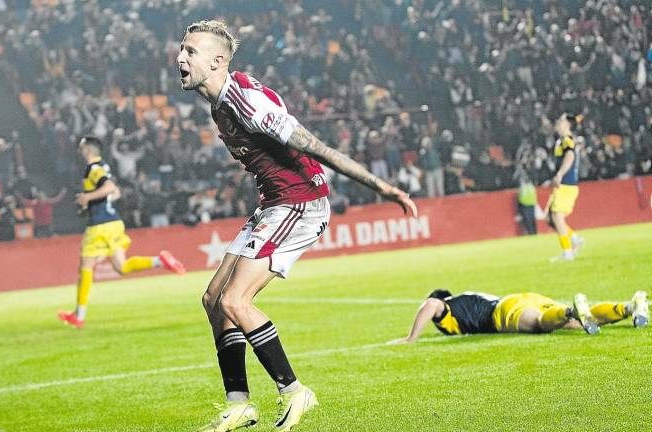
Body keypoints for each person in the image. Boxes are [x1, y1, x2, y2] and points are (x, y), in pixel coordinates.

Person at [177, 20, 417, 432]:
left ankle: (293, 391)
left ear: (217, 61)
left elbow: (317, 147)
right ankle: (239, 404)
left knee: (236, 301)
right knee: (213, 299)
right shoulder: (218, 101)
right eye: (181, 49)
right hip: (274, 203)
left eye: (190, 52)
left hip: (301, 203)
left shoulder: (247, 104)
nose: (180, 58)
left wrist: (383, 187)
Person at [57, 137, 187, 329]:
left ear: (87, 150)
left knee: (86, 267)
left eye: (81, 147)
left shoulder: (93, 168)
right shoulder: (103, 166)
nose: (78, 150)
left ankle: (79, 316)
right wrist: (95, 201)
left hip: (99, 226)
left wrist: (87, 198)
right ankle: (160, 261)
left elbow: (109, 188)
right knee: (122, 267)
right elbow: (115, 192)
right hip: (114, 223)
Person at [388, 289, 649, 344]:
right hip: (522, 297)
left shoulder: (449, 309)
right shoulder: (468, 297)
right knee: (575, 323)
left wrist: (411, 338)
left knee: (538, 325)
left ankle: (571, 308)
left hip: (503, 313)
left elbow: (431, 304)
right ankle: (630, 306)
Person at [547, 114, 584, 261]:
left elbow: (570, 156)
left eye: (561, 120)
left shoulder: (567, 140)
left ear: (568, 124)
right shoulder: (561, 141)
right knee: (551, 218)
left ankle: (568, 251)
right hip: (565, 184)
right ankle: (574, 239)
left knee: (556, 216)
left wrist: (560, 174)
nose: (558, 122)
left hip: (567, 183)